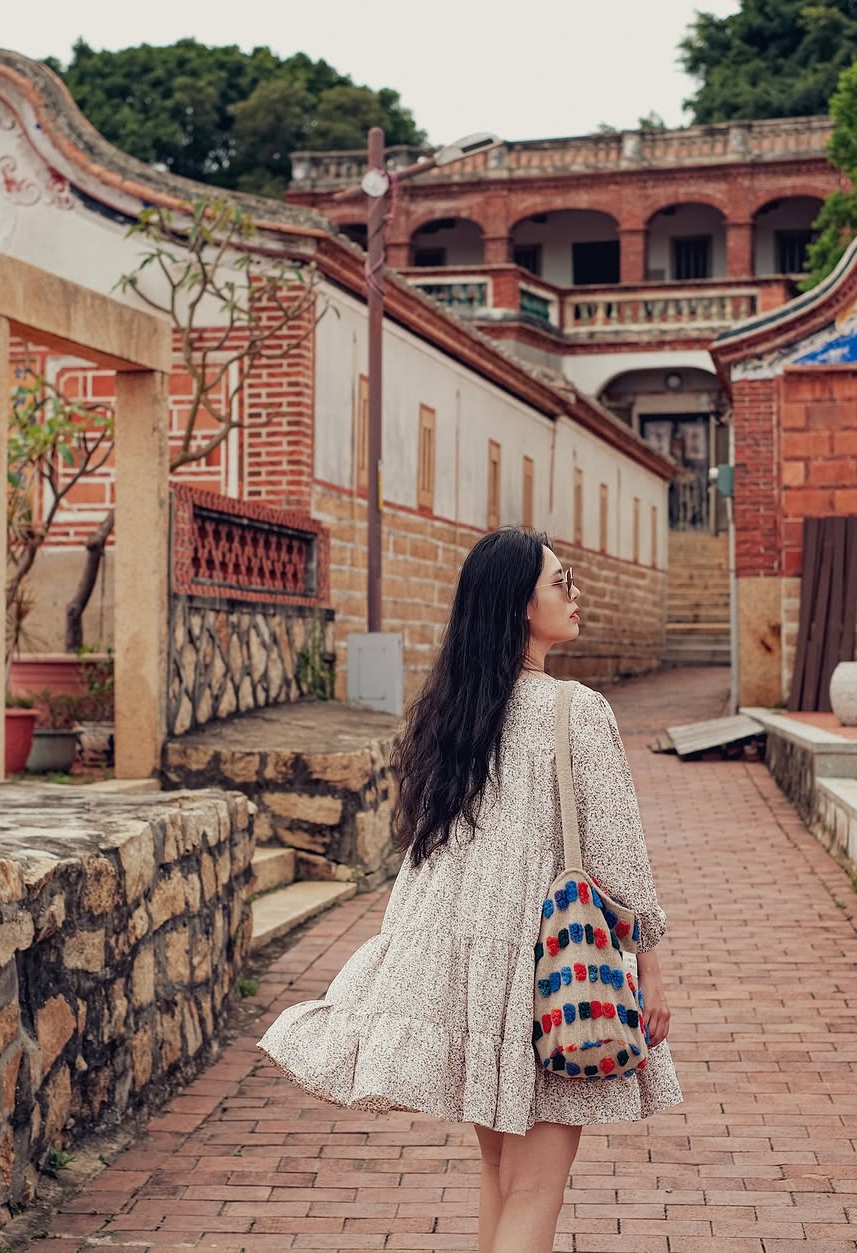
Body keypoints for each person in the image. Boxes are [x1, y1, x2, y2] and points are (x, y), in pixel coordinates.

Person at [257, 528, 681, 1253]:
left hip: (477, 981)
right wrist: (651, 968)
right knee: (535, 1191)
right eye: (561, 583)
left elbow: (428, 864)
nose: (575, 595)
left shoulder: (454, 715)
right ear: (520, 606)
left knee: (500, 1177)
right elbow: (619, 860)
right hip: (555, 976)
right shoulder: (576, 710)